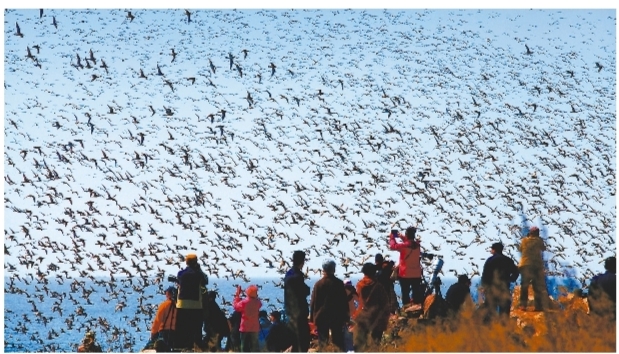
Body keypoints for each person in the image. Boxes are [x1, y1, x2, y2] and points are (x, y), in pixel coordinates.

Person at [309, 259, 349, 351]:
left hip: (322, 316)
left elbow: (313, 302)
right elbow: (343, 301)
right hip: (337, 316)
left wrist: (312, 318)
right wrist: (346, 317)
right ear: (333, 270)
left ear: (323, 270)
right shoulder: (338, 283)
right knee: (338, 342)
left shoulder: (318, 284)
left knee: (323, 343)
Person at [353, 263, 390, 352]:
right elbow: (385, 303)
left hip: (363, 317)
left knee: (360, 345)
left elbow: (358, 299)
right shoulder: (379, 286)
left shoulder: (360, 285)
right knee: (375, 345)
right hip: (377, 319)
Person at [176, 253, 208, 350]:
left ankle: (183, 348)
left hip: (182, 304)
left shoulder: (180, 274)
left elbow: (179, 281)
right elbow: (205, 281)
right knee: (196, 329)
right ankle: (196, 347)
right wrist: (199, 269)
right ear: (196, 262)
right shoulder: (199, 274)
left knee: (183, 329)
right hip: (196, 305)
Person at [481, 242, 520, 318]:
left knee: (490, 310)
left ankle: (490, 327)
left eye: (491, 249)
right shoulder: (508, 260)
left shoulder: (490, 260)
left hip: (492, 289)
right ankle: (503, 327)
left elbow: (485, 275)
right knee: (504, 311)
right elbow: (516, 271)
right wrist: (511, 279)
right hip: (504, 288)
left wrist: (485, 287)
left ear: (494, 250)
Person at [389, 226, 424, 306]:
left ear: (407, 235)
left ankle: (406, 310)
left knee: (405, 293)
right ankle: (416, 309)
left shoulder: (404, 246)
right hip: (416, 274)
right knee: (416, 293)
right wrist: (401, 236)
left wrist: (392, 238)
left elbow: (392, 246)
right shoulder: (417, 246)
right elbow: (410, 242)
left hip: (405, 274)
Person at [284, 250, 311, 352]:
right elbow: (304, 291)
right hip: (299, 312)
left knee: (295, 340)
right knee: (303, 341)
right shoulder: (298, 276)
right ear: (302, 261)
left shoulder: (288, 274)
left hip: (290, 312)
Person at [518, 226, 547, 312]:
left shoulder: (524, 240)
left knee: (524, 286)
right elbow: (543, 248)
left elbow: (520, 249)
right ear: (537, 233)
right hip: (536, 266)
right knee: (537, 286)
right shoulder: (539, 240)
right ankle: (538, 306)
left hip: (525, 265)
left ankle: (523, 305)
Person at [233, 284, 262, 352]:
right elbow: (260, 304)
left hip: (245, 327)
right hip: (255, 327)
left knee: (244, 346)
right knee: (254, 346)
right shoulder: (257, 302)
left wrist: (237, 295)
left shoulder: (244, 302)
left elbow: (236, 307)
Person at [147, 286, 177, 350]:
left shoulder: (164, 305)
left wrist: (153, 333)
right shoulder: (178, 306)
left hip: (164, 333)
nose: (165, 294)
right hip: (175, 334)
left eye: (166, 292)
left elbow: (157, 320)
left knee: (148, 346)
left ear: (169, 294)